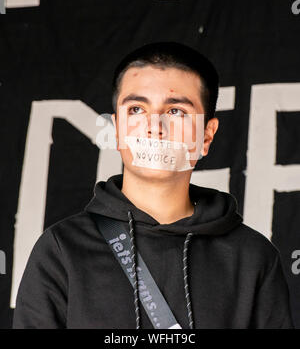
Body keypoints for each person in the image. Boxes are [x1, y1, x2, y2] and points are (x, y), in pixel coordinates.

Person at [13, 42, 294, 329]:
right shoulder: (63, 249)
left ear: (207, 136)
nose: (154, 127)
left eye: (176, 112)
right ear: (117, 128)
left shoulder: (252, 256)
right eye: (136, 109)